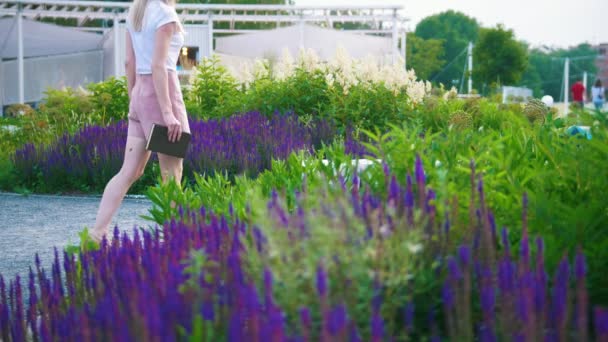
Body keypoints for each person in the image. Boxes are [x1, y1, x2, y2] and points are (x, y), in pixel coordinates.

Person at [89, 0, 190, 243]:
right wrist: (167, 113)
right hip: (162, 93)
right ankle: (174, 239)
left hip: (140, 95)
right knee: (172, 172)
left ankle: (97, 233)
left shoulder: (136, 12)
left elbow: (129, 63)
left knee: (129, 171)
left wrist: (134, 98)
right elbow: (159, 65)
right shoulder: (165, 15)